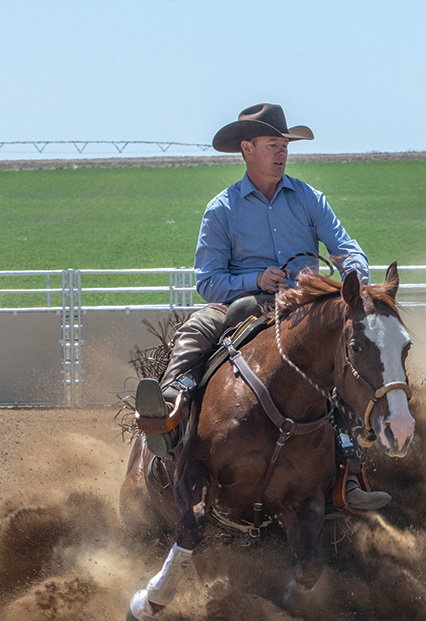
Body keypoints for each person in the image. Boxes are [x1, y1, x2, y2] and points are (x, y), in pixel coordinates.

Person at [135, 102, 391, 512]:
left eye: (285, 145)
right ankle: (170, 410)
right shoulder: (222, 209)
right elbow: (208, 281)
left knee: (346, 359)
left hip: (304, 311)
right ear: (247, 148)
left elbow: (346, 249)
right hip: (243, 306)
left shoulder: (309, 199)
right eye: (273, 144)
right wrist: (254, 280)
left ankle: (349, 469)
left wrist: (354, 275)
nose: (282, 153)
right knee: (197, 330)